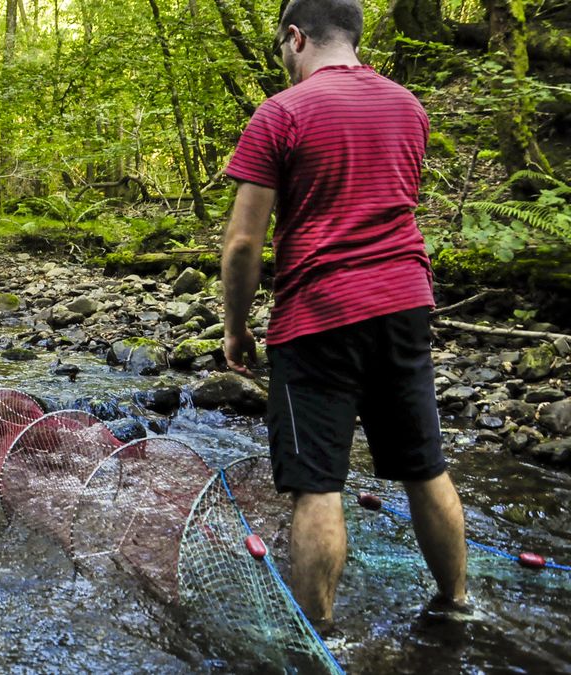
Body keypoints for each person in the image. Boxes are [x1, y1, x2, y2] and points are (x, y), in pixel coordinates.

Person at [220, 0, 467, 628]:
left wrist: (237, 327)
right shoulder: (409, 106)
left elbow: (244, 243)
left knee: (318, 482)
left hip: (318, 316)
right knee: (424, 465)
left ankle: (317, 637)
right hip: (405, 303)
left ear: (296, 37)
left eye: (283, 47)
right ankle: (457, 607)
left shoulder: (280, 113)